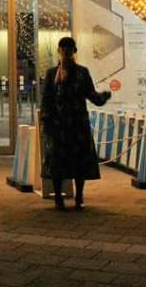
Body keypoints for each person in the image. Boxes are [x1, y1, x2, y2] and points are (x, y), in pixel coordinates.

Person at [39, 37, 110, 211]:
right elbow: (46, 99)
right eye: (63, 49)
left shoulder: (81, 73)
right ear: (59, 51)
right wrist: (45, 121)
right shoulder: (52, 73)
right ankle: (58, 197)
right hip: (58, 125)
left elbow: (91, 94)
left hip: (77, 124)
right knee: (57, 161)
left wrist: (103, 98)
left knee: (79, 160)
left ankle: (79, 196)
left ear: (74, 51)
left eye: (69, 49)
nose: (66, 52)